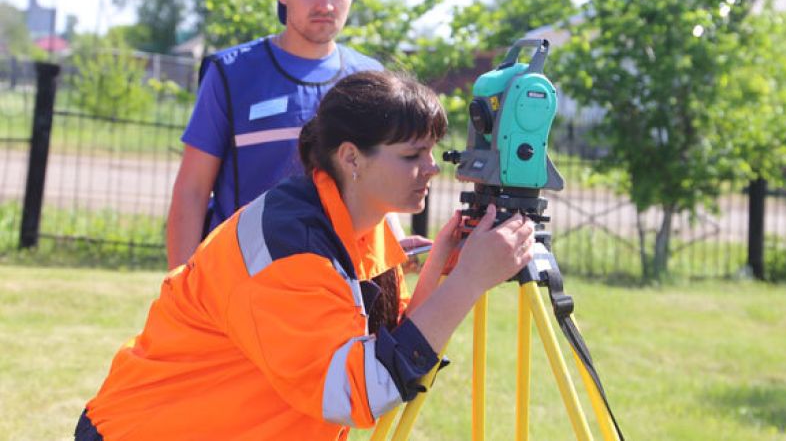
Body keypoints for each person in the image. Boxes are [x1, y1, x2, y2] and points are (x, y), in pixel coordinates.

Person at [75, 70, 535, 440]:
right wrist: (468, 281)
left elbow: (385, 345)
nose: (432, 168)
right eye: (413, 154)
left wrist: (441, 268)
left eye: (432, 152)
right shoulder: (290, 252)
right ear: (352, 158)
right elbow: (360, 391)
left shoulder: (358, 221)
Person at [167, 0, 407, 270]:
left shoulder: (371, 78)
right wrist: (181, 286)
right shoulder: (231, 73)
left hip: (342, 286)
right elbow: (191, 192)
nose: (325, 4)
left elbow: (378, 185)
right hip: (243, 281)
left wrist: (396, 243)